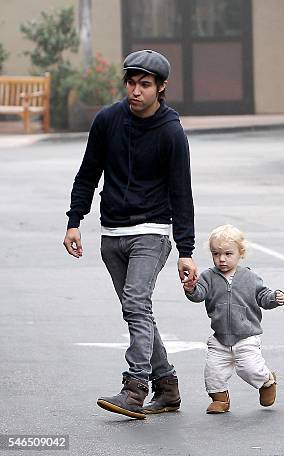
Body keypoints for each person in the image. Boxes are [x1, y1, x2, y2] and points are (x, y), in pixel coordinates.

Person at [63, 49, 197, 420]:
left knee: (137, 304)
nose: (136, 91)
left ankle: (135, 387)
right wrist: (74, 220)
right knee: (135, 311)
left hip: (151, 232)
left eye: (145, 84)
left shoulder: (171, 132)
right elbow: (88, 173)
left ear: (161, 87)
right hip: (112, 234)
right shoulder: (108, 120)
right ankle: (168, 387)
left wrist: (186, 249)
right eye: (131, 83)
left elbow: (181, 193)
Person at [183, 224, 284, 414]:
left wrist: (274, 298)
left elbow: (263, 296)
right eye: (216, 254)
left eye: (228, 254)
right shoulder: (208, 276)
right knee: (213, 372)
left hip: (246, 336)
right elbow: (199, 294)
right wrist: (190, 288)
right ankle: (220, 399)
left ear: (241, 253)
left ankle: (266, 381)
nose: (221, 259)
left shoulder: (249, 277)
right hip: (220, 337)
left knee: (249, 369)